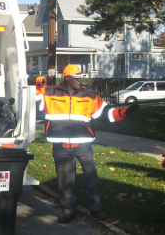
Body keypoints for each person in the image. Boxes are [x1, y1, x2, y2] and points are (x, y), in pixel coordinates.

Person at [42, 64, 139, 223]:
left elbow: (106, 114)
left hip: (83, 144)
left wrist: (123, 112)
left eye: (81, 76)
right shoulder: (50, 92)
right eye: (76, 77)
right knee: (65, 179)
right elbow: (34, 98)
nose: (80, 79)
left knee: (91, 177)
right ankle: (68, 212)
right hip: (60, 144)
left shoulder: (90, 95)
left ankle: (96, 209)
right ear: (67, 78)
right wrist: (39, 86)